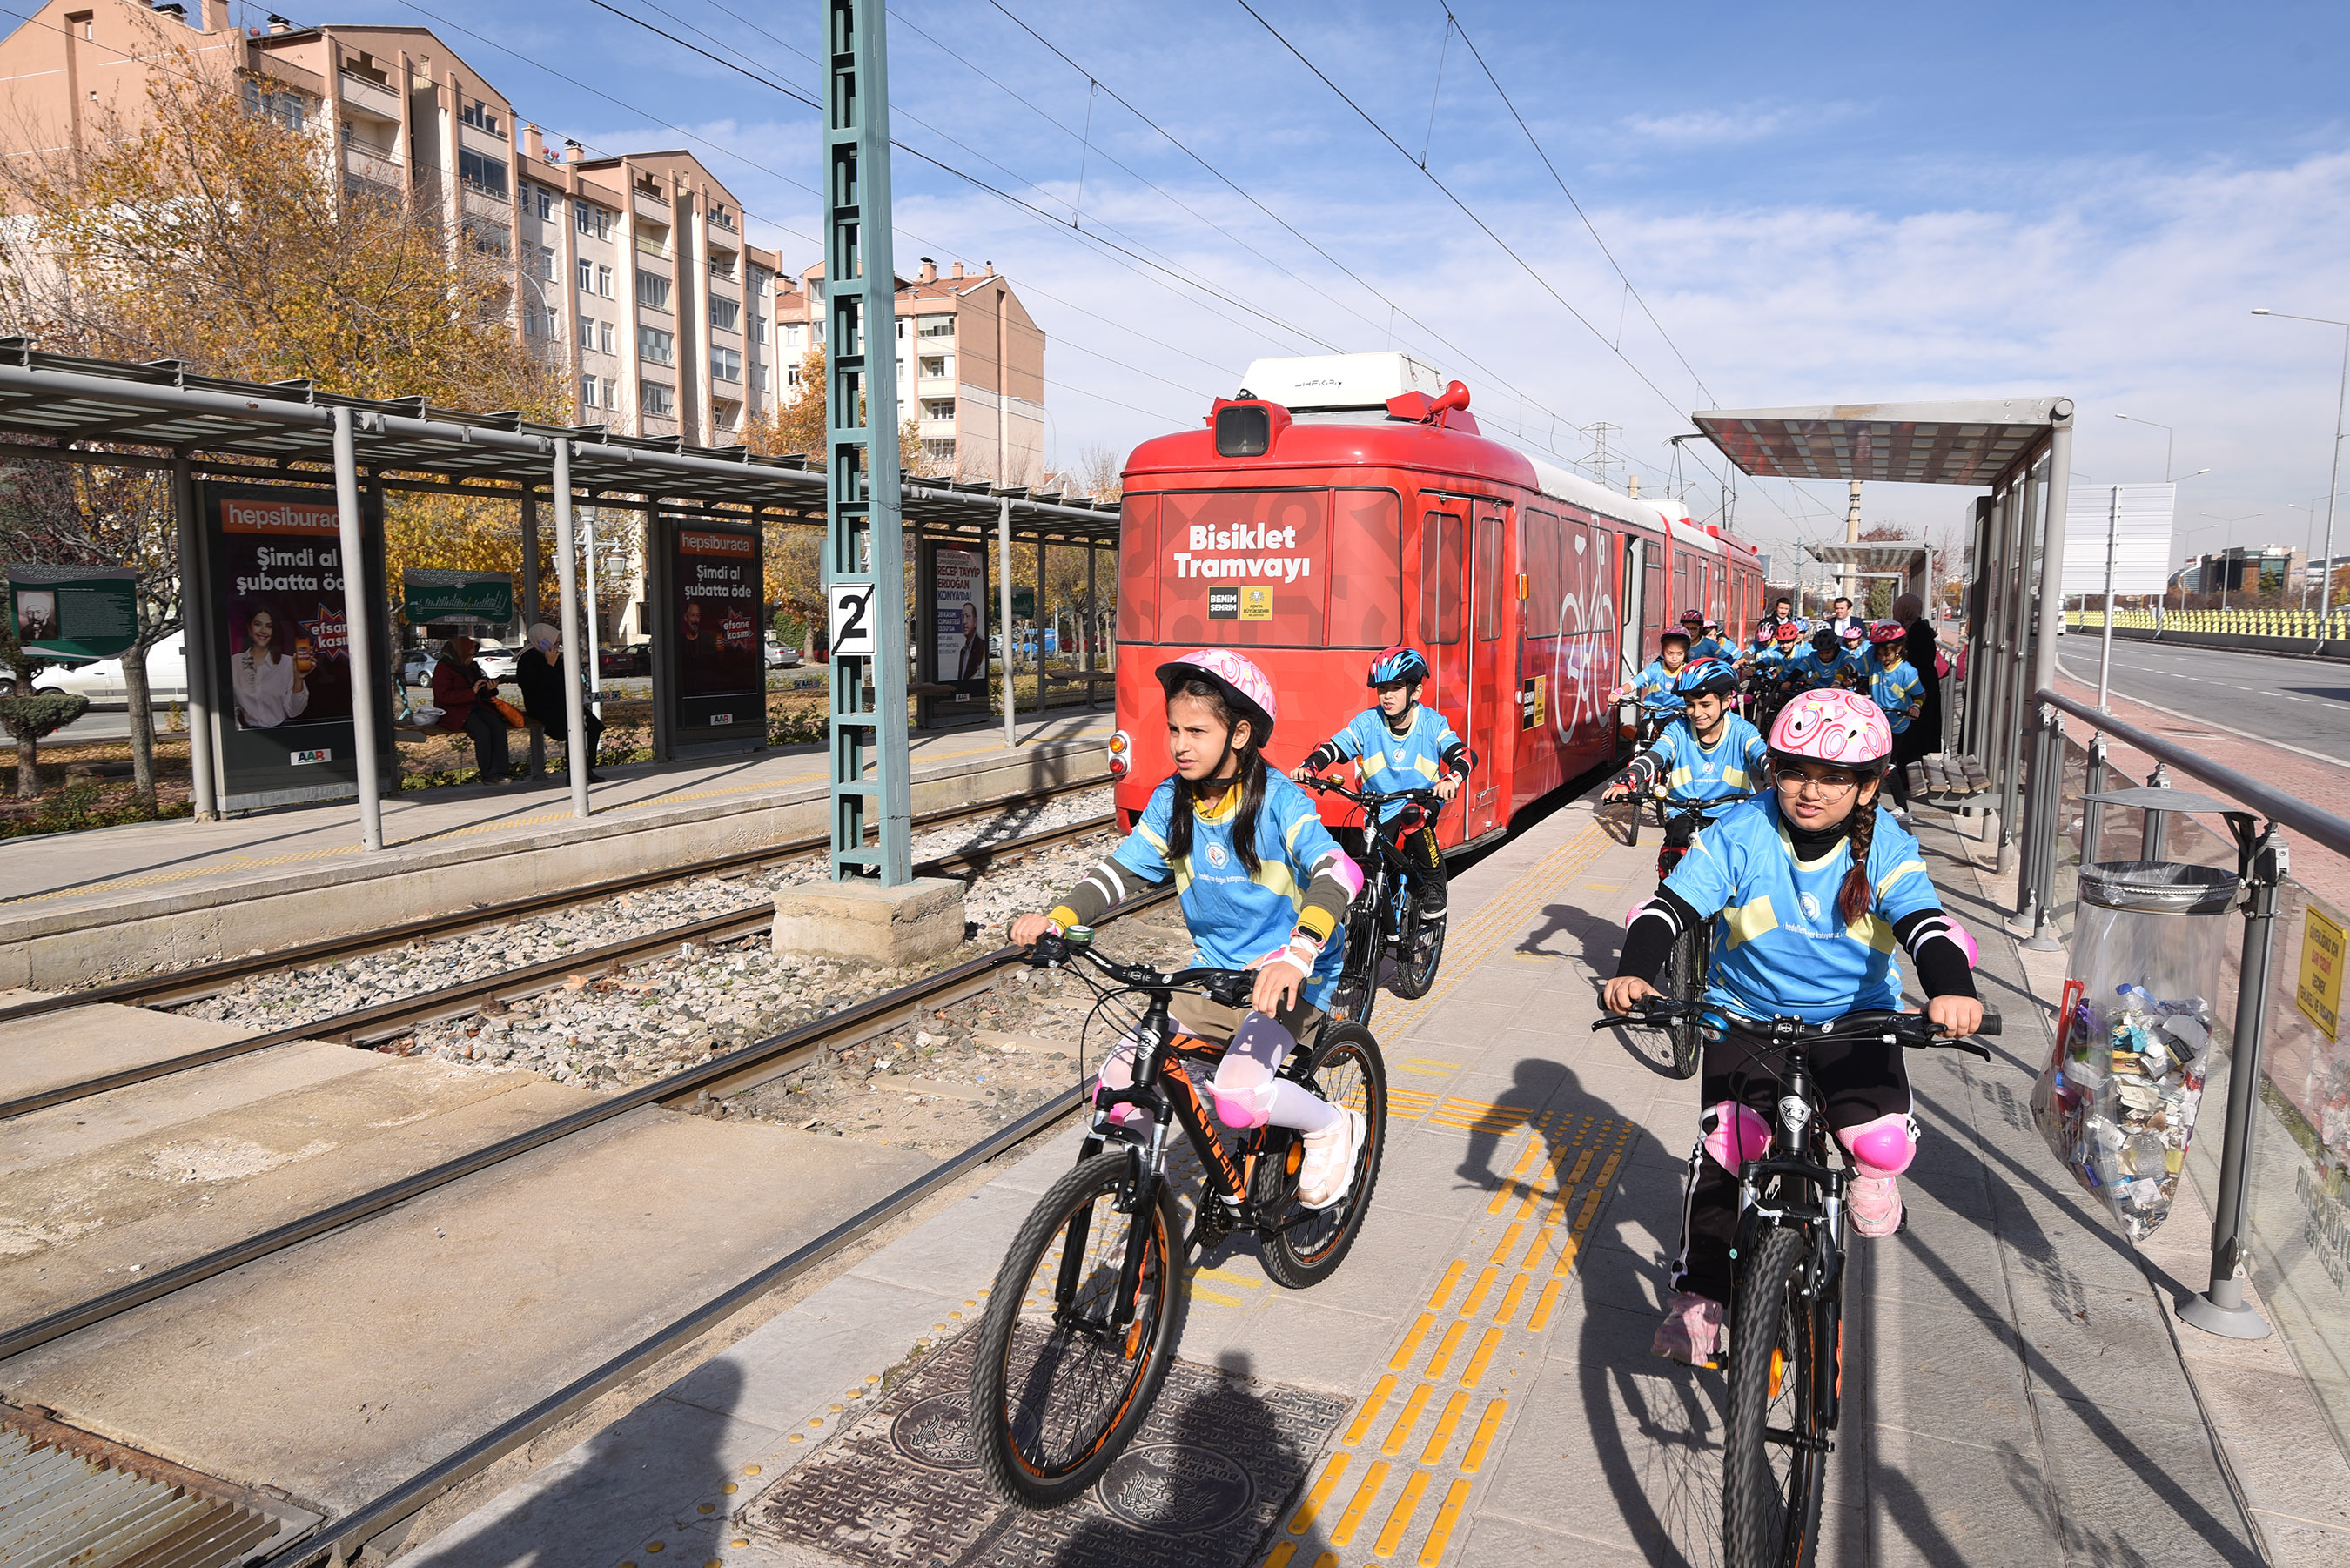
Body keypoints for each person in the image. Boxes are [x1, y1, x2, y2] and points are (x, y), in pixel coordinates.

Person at [1602, 688, 1983, 1364]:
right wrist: (1637, 973)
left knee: (1881, 1141)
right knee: (1726, 1151)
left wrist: (1952, 990)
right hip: (1747, 1014)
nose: (1810, 792)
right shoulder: (1742, 830)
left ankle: (1870, 1175)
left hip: (1854, 1019)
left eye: (1834, 779)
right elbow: (1671, 908)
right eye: (1795, 772)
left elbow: (1925, 922)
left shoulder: (1886, 844)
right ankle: (1699, 1297)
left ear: (1867, 788)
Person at [1009, 649, 1369, 1209]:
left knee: (1237, 1099)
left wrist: (1296, 954)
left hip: (1294, 978)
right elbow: (1123, 869)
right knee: (1118, 1088)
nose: (1180, 744)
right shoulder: (1171, 802)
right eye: (1175, 729)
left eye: (1197, 731)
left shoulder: (1278, 802)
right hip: (1215, 976)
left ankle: (1330, 1125)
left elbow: (1340, 872)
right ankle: (1144, 1216)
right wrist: (1061, 917)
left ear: (1241, 734)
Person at [1293, 646, 1470, 921]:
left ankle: (1435, 886)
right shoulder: (1368, 722)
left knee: (1413, 817)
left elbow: (1463, 755)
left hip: (1420, 801)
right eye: (1382, 688)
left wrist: (1452, 778)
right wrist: (1310, 765)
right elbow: (1335, 747)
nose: (1387, 695)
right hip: (1380, 805)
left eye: (1396, 688)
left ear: (1416, 692)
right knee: (1368, 861)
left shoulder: (1432, 723)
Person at [1601, 662, 1767, 855]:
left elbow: (1764, 758)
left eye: (1705, 705)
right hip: (1684, 814)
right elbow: (1654, 756)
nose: (1696, 713)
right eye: (1690, 705)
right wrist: (1629, 778)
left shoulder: (1742, 730)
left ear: (1726, 701)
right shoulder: (1677, 730)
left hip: (1733, 815)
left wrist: (1773, 781)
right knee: (1670, 860)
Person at [515, 622, 607, 783]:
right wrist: (549, 665)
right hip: (542, 706)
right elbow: (538, 688)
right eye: (554, 643)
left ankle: (587, 768)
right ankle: (575, 773)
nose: (557, 646)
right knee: (575, 729)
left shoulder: (555, 656)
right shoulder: (528, 660)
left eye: (558, 643)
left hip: (562, 703)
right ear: (542, 641)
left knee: (594, 726)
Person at [432, 634, 512, 786]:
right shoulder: (444, 668)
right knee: (482, 731)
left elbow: (481, 692)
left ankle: (500, 771)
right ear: (458, 654)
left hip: (475, 706)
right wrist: (471, 692)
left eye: (474, 655)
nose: (471, 659)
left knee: (498, 727)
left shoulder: (472, 667)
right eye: (469, 655)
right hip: (456, 711)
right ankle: (488, 774)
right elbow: (443, 697)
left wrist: (489, 688)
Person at [1865, 620, 1924, 816]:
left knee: (1887, 765)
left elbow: (1920, 695)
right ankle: (1870, 801)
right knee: (1872, 761)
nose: (1883, 658)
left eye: (1887, 654)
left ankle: (1902, 807)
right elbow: (1852, 667)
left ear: (1899, 649)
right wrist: (1841, 678)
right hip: (1877, 720)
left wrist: (1915, 706)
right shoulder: (1874, 661)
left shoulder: (1907, 671)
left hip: (1897, 724)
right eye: (1880, 653)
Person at [231, 605, 309, 728]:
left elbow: (294, 711)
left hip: (283, 732)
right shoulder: (235, 663)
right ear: (249, 628)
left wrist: (298, 679)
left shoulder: (288, 663)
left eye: (269, 626)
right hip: (247, 735)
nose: (263, 630)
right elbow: (230, 706)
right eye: (258, 624)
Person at [1891, 593, 1945, 764]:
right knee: (1917, 732)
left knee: (1914, 731)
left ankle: (1907, 772)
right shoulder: (1918, 628)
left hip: (1918, 686)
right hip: (1922, 683)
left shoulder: (1916, 631)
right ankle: (1908, 769)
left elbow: (1916, 659)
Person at [1627, 628, 1694, 718]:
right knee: (1643, 731)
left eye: (1679, 654)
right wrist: (1618, 692)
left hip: (1678, 715)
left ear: (1685, 653)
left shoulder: (1688, 671)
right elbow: (1634, 683)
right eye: (1670, 653)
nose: (1674, 658)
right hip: (1653, 714)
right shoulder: (1655, 668)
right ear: (1663, 652)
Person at [953, 600, 986, 682]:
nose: (964, 622)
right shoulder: (963, 651)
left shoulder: (982, 646)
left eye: (968, 616)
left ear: (975, 621)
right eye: (962, 617)